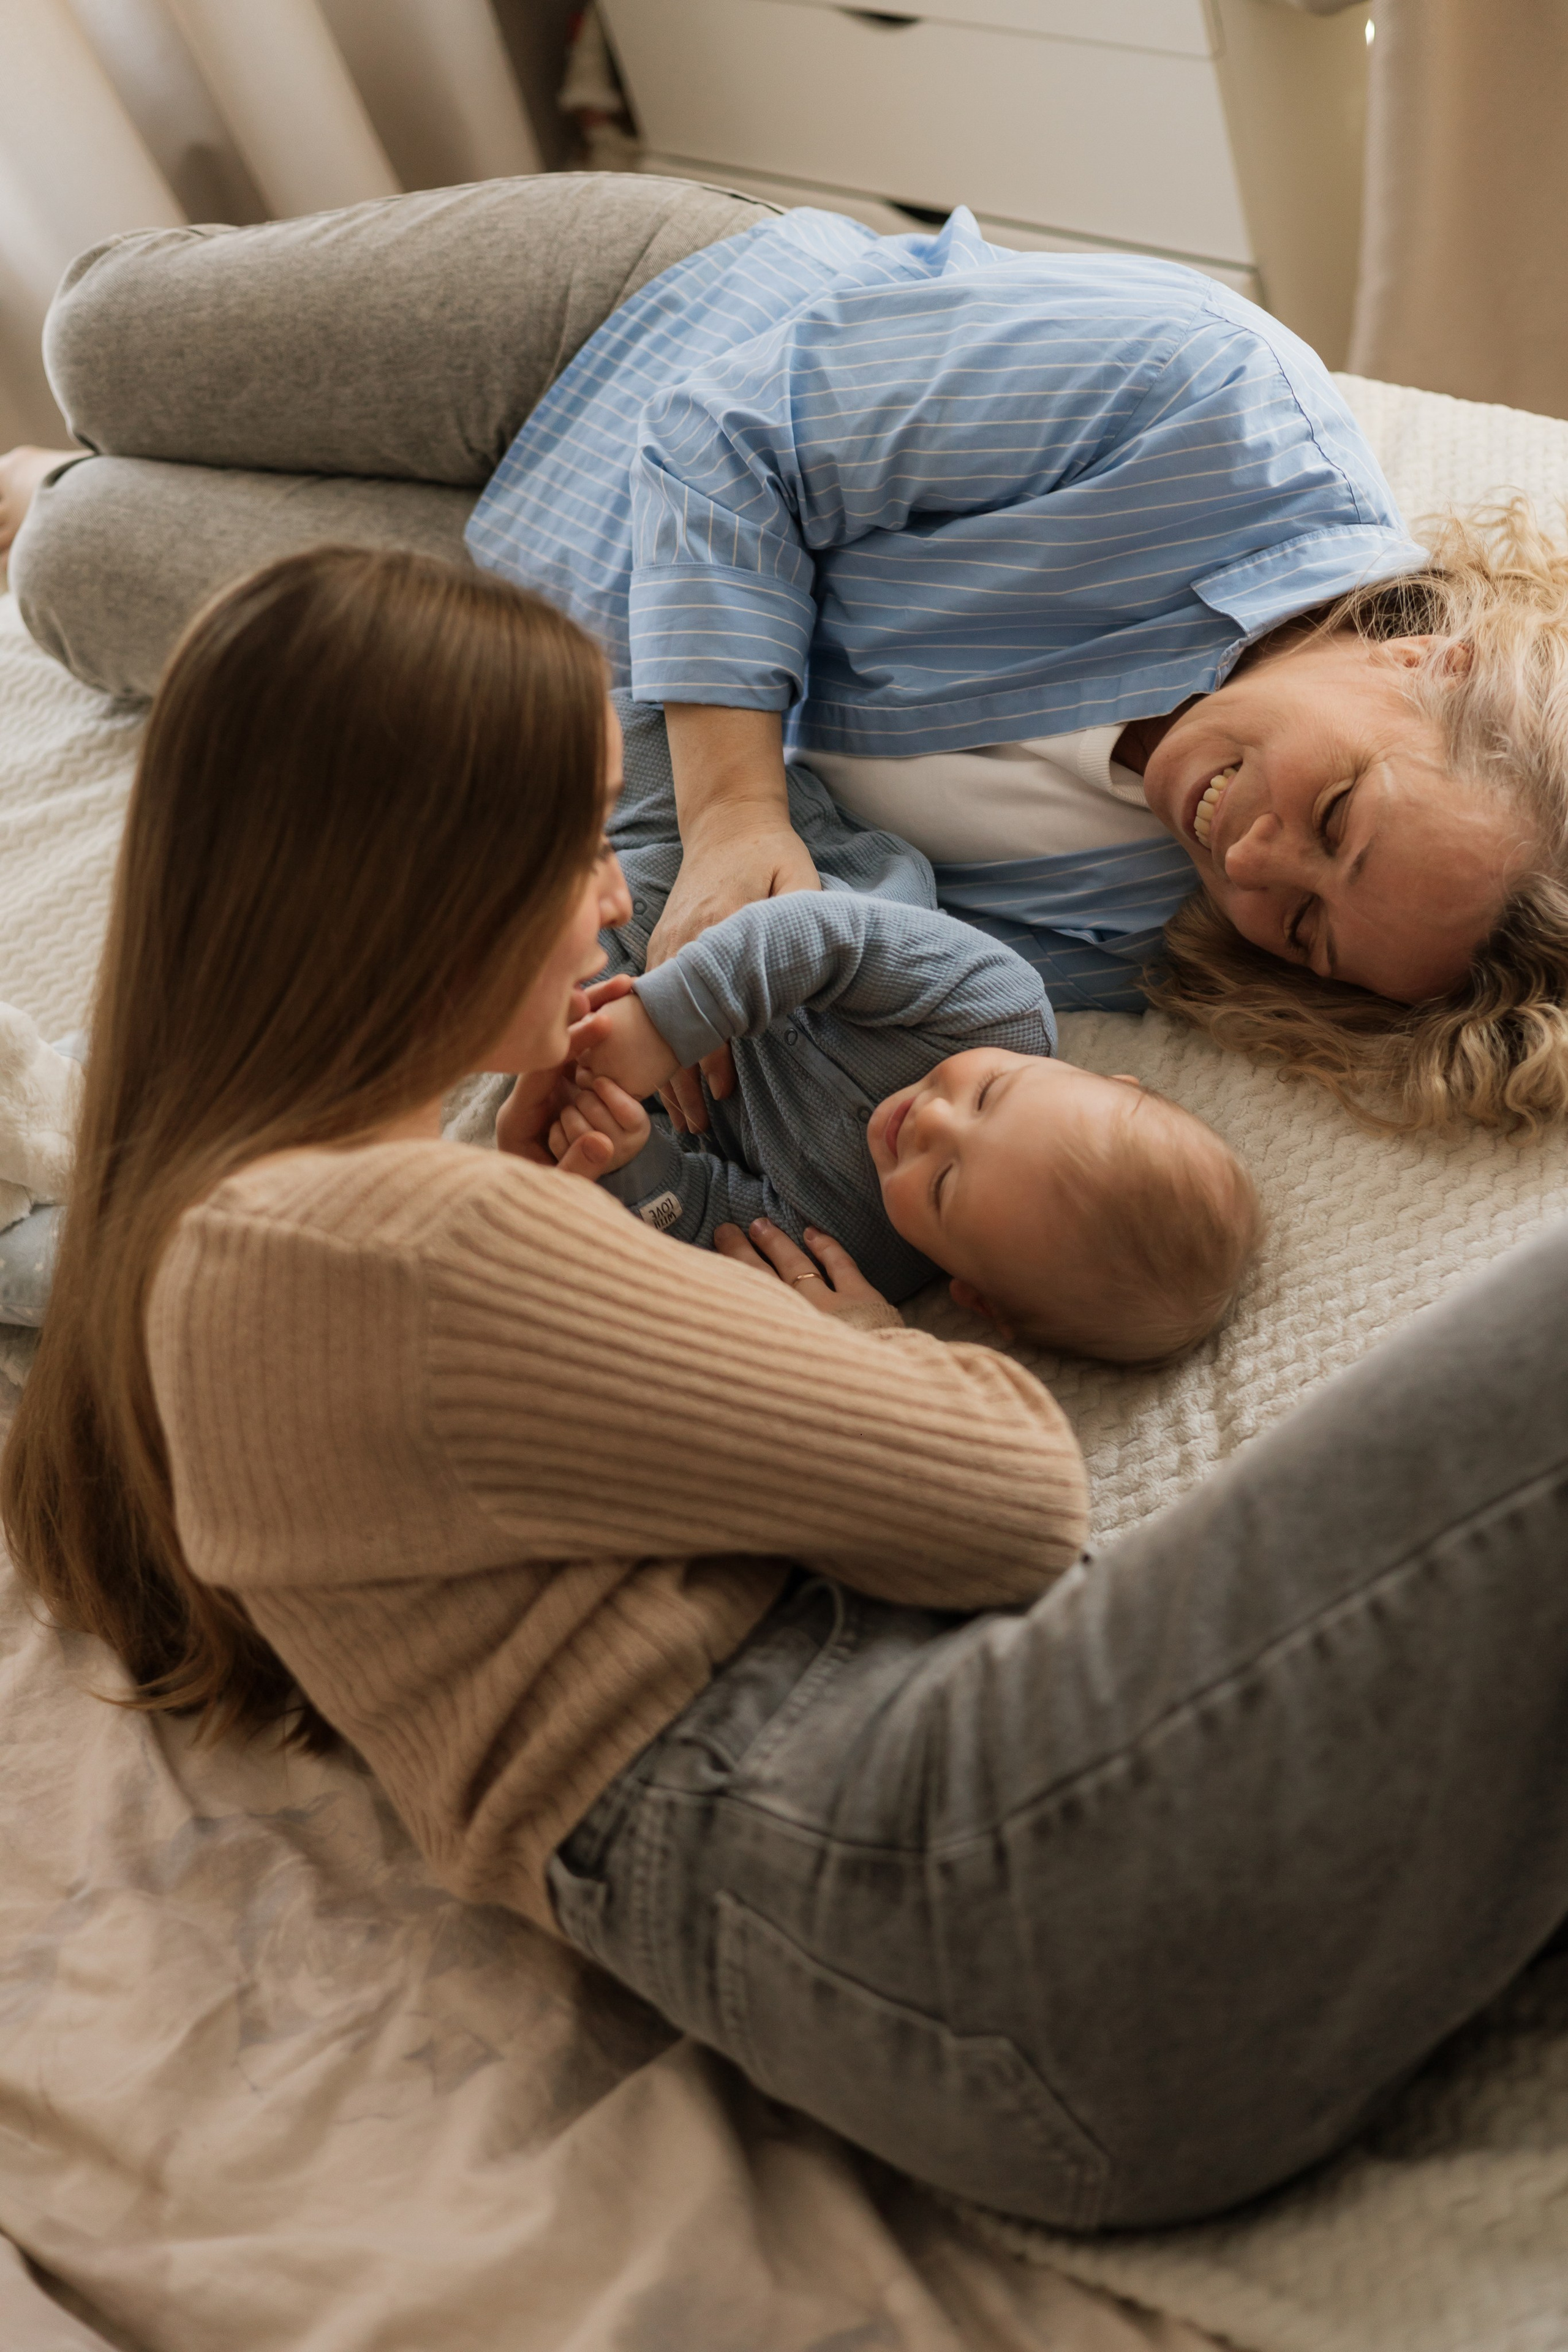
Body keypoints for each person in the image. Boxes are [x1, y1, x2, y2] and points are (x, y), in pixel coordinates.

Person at [6, 542, 1568, 2237]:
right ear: (408, 885)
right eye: (577, 844)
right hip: (964, 1886)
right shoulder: (384, 1240)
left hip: (994, 1988)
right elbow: (1011, 1494)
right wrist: (865, 1343)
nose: (615, 902)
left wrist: (561, 1217)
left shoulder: (277, 1257)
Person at [4, 175, 1568, 1133]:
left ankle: (50, 495)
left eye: (1307, 930)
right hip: (632, 338)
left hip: (536, 649)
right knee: (104, 340)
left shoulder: (1162, 930)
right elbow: (730, 435)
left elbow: (861, 943)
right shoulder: (1213, 406)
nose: (1254, 864)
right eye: (1337, 817)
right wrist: (734, 809)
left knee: (71, 568)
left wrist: (669, 1015)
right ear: (1433, 662)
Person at [546, 693, 1262, 1359]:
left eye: (944, 1183)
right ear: (1102, 1079)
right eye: (988, 1095)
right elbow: (822, 938)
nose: (931, 1121)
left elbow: (712, 1220)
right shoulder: (998, 1009)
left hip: (590, 967)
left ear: (973, 1296)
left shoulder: (858, 1251)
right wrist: (667, 1025)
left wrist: (628, 1156)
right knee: (579, 726)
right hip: (728, 848)